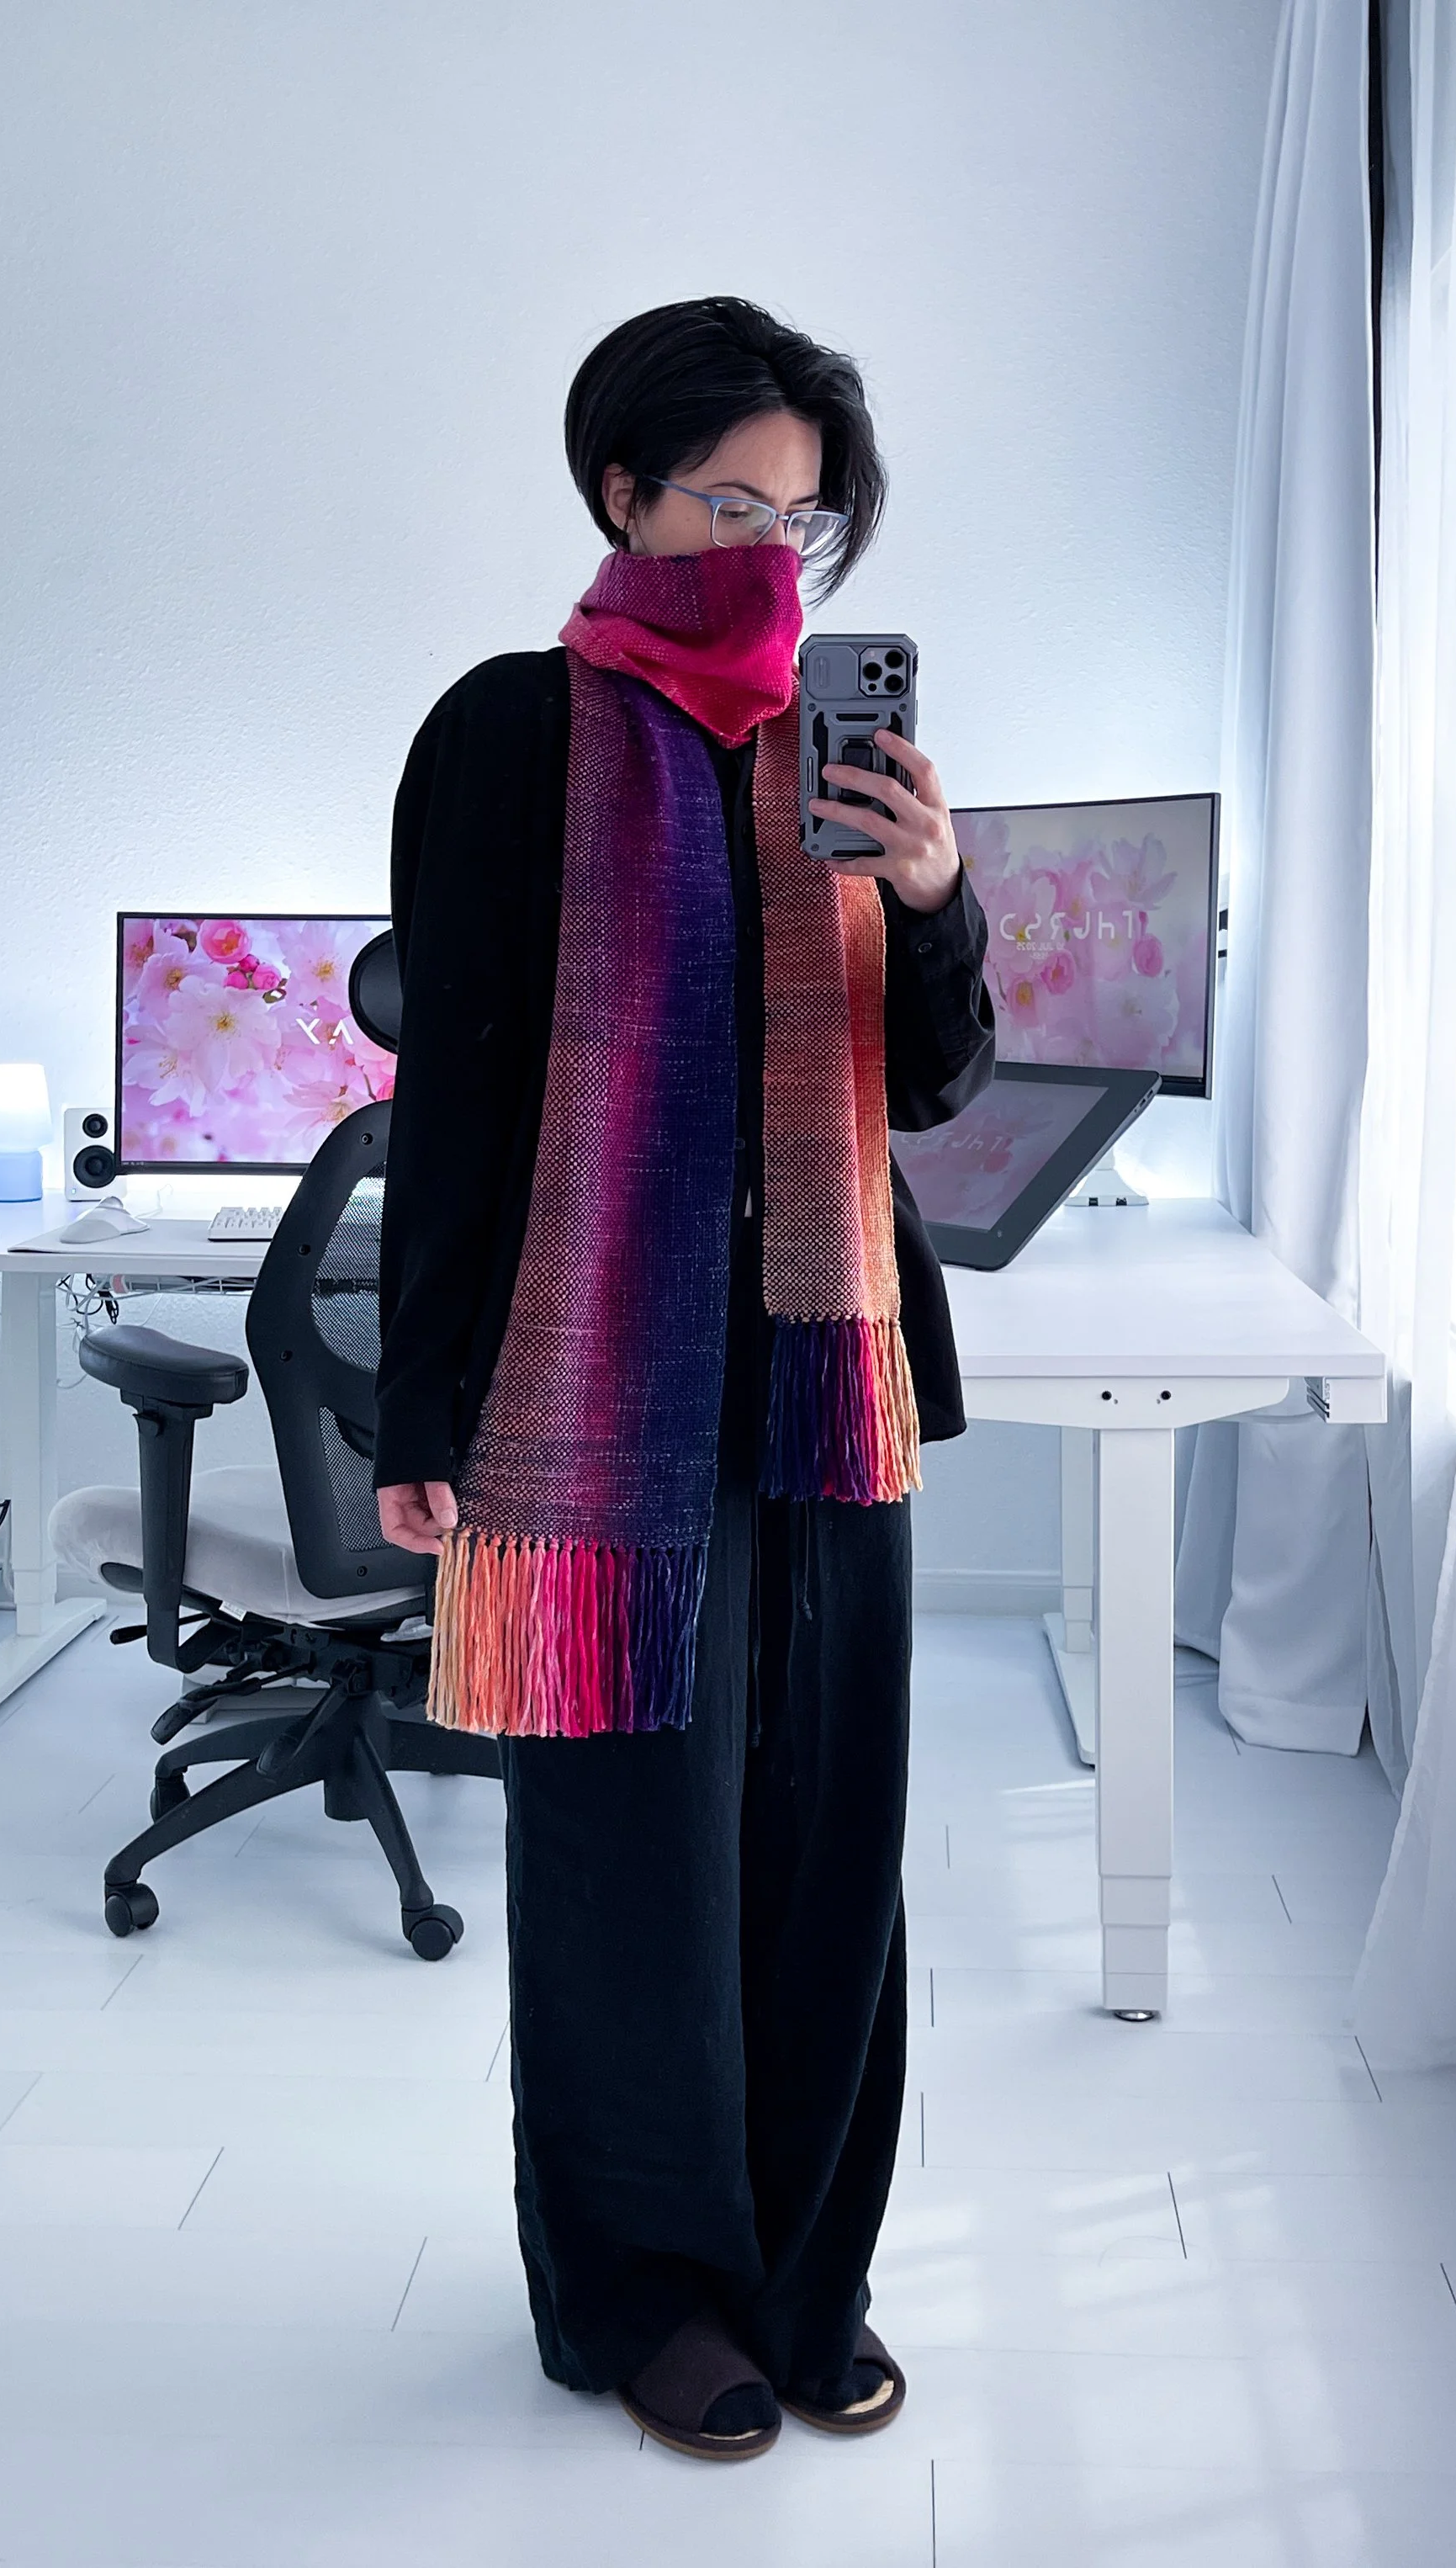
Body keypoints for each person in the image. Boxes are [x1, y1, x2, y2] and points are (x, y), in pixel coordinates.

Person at [373, 295, 994, 2462]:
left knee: (832, 1838)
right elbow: (452, 1093)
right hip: (585, 1395)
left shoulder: (837, 762)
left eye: (803, 523)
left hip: (828, 1381)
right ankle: (645, 2289)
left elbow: (926, 1079)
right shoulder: (509, 732)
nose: (765, 552)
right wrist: (423, 1413)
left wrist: (931, 897)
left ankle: (808, 2267)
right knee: (631, 1858)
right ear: (619, 494)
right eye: (727, 502)